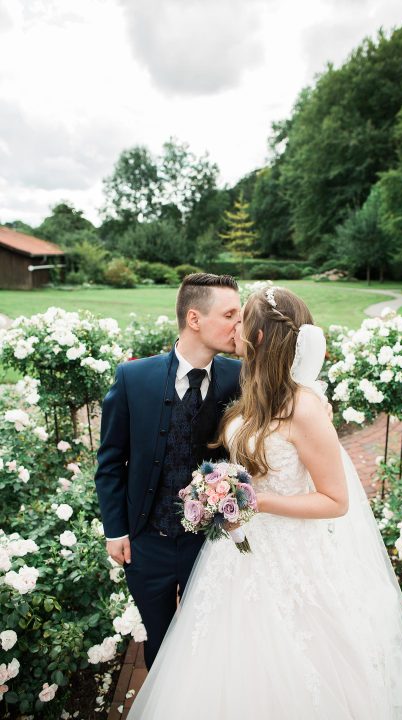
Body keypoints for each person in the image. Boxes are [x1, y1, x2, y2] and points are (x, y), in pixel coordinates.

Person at [127, 286, 402, 719]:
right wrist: (220, 489)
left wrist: (256, 500)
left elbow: (335, 500)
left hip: (289, 555)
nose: (235, 327)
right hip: (235, 553)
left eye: (242, 318)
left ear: (262, 335)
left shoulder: (304, 407)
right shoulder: (253, 390)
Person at [94, 273, 242, 670]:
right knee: (159, 645)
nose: (239, 325)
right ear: (194, 319)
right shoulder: (133, 378)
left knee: (212, 641)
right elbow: (110, 462)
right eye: (230, 315)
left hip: (211, 544)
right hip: (147, 544)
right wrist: (117, 530)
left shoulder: (239, 378)